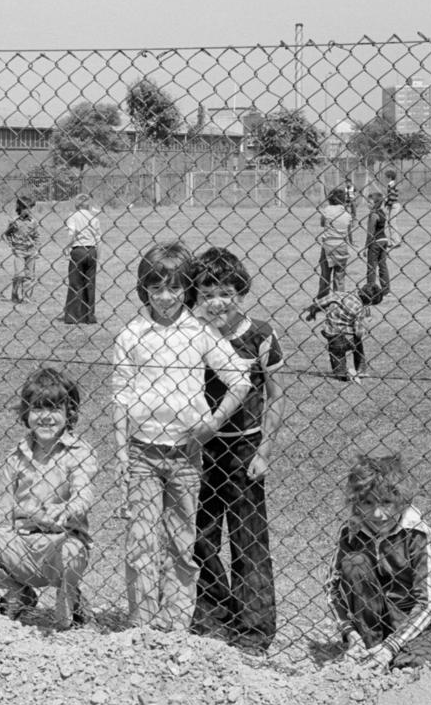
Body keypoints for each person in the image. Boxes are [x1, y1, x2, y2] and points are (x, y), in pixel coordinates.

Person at [111, 242, 252, 631]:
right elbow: (121, 393)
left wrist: (211, 424)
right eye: (155, 289)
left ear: (185, 288)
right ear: (144, 290)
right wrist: (121, 450)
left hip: (186, 456)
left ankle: (174, 624)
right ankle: (142, 623)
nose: (165, 298)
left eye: (174, 288)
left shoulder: (199, 332)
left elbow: (239, 380)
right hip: (141, 453)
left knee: (181, 544)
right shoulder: (132, 334)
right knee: (141, 544)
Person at [187, 247, 287, 656]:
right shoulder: (189, 334)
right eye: (208, 289)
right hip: (199, 448)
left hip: (244, 446)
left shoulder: (260, 334)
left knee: (248, 539)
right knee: (202, 534)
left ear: (240, 291)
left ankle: (253, 628)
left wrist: (265, 450)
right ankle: (211, 616)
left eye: (227, 290)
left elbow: (277, 397)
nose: (217, 300)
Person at [0, 367, 97, 629]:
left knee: (70, 552)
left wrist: (68, 508)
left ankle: (70, 606)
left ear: (70, 413)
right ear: (26, 413)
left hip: (61, 543)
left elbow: (84, 493)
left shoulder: (80, 453)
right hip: (21, 544)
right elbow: (3, 507)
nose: (45, 417)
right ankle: (17, 593)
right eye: (37, 409)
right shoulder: (16, 457)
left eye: (54, 409)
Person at [327, 453, 431, 670]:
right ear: (355, 502)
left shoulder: (417, 533)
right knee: (354, 562)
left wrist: (391, 646)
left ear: (401, 501)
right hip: (368, 621)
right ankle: (368, 645)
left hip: (410, 619)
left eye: (386, 502)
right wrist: (350, 633)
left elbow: (427, 603)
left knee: (416, 669)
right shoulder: (351, 531)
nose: (377, 514)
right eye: (367, 502)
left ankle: (395, 651)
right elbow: (333, 588)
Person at [302, 282, 383, 382]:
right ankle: (361, 369)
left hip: (334, 336)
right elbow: (359, 332)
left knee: (337, 356)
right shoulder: (360, 308)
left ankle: (342, 373)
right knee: (358, 347)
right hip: (350, 338)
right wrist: (367, 321)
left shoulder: (339, 295)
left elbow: (322, 302)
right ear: (369, 303)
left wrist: (313, 311)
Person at [63, 194, 102, 324]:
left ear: (77, 205)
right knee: (90, 284)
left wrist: (67, 248)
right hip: (92, 251)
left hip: (78, 250)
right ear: (88, 205)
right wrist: (98, 257)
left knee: (75, 283)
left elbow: (71, 233)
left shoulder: (73, 217)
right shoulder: (94, 218)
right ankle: (89, 316)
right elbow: (98, 239)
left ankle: (73, 315)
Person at [315, 188, 354, 299]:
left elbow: (322, 223)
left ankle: (323, 299)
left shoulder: (327, 210)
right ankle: (339, 299)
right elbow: (349, 229)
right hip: (342, 245)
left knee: (325, 274)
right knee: (340, 275)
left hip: (328, 244)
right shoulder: (346, 213)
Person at [2, 195, 40, 304]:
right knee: (19, 274)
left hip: (31, 251)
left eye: (29, 208)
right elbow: (7, 235)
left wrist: (36, 248)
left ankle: (26, 297)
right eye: (25, 208)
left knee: (29, 275)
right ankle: (14, 295)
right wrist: (12, 246)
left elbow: (37, 236)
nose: (27, 211)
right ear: (19, 208)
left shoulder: (33, 222)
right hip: (19, 251)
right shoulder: (14, 221)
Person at [363, 191, 399, 303]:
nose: (367, 204)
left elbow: (370, 232)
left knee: (371, 267)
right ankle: (386, 290)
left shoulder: (373, 214)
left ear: (375, 203)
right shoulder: (382, 213)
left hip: (375, 243)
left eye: (369, 202)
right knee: (383, 266)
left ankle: (370, 291)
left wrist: (366, 247)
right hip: (384, 240)